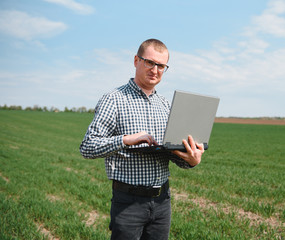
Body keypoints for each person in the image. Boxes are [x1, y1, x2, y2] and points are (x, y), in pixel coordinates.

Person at [79, 39, 204, 240]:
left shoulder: (165, 105)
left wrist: (192, 160)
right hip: (128, 203)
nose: (155, 69)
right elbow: (87, 146)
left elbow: (172, 153)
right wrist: (126, 140)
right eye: (149, 62)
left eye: (161, 65)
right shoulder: (114, 99)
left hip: (163, 202)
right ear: (136, 60)